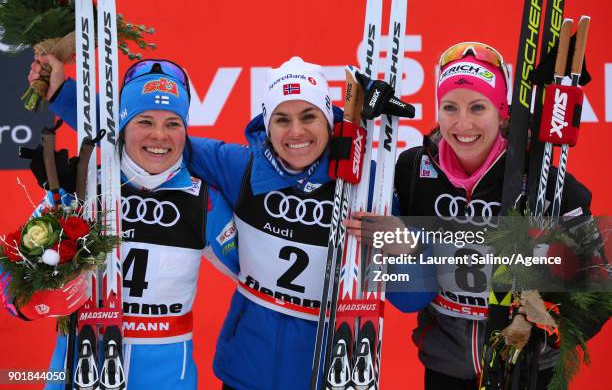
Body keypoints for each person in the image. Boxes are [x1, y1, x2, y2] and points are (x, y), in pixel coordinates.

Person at [34, 55, 433, 389]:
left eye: (308, 116)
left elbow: (411, 299)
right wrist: (64, 94)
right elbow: (157, 138)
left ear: (329, 119)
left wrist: (407, 247)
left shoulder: (362, 184)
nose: (296, 132)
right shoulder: (242, 166)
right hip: (246, 371)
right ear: (266, 122)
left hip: (325, 373)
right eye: (282, 118)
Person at [364, 42, 607, 389]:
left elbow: (597, 287)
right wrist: (357, 123)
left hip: (527, 367)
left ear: (501, 111)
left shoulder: (541, 179)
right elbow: (405, 284)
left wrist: (549, 325)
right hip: (446, 364)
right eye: (450, 107)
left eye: (478, 107)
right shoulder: (413, 170)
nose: (462, 123)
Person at [1, 56, 238, 389]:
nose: (160, 135)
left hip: (167, 378)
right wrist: (35, 301)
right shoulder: (79, 187)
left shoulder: (204, 201)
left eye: (173, 123)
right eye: (145, 121)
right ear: (123, 125)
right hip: (78, 371)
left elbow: (263, 279)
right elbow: (10, 282)